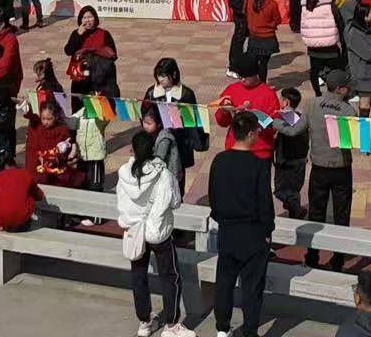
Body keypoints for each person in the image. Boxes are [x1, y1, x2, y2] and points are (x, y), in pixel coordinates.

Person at [208, 112, 275, 337]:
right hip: (253, 233)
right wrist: (268, 230)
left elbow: (213, 196)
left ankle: (222, 328)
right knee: (252, 287)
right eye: (257, 131)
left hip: (227, 230)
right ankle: (249, 331)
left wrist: (221, 218)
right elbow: (265, 203)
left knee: (224, 282)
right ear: (251, 134)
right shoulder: (258, 165)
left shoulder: (219, 160)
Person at [115, 129, 185, 337]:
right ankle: (172, 325)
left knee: (138, 276)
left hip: (135, 231)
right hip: (159, 232)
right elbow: (176, 202)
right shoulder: (164, 174)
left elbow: (121, 203)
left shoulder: (124, 173)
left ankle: (145, 322)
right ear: (153, 149)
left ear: (132, 150)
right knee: (170, 277)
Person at [303, 71, 356, 269]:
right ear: (340, 89)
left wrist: (275, 121)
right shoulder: (348, 111)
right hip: (341, 168)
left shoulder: (312, 104)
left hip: (319, 168)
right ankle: (338, 259)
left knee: (316, 212)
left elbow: (296, 129)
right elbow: (352, 141)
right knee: (342, 214)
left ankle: (312, 256)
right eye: (347, 87)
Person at [142, 58, 203, 186]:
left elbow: (192, 120)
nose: (160, 79)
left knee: (177, 179)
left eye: (164, 76)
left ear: (174, 74)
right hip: (158, 140)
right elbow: (145, 114)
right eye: (159, 75)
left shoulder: (186, 94)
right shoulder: (152, 92)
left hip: (179, 142)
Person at [213, 64, 281, 160]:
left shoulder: (269, 95)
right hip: (234, 149)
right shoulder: (231, 89)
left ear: (255, 74)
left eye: (245, 76)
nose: (242, 79)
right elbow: (222, 122)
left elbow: (274, 128)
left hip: (260, 153)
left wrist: (250, 119)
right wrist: (224, 111)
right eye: (240, 76)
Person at [271, 86, 310, 220]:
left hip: (287, 162)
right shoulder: (301, 117)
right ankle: (294, 213)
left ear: (286, 102)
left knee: (282, 191)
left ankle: (297, 210)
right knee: (293, 190)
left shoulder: (284, 120)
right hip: (300, 161)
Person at [339, 0, 371, 109]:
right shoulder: (355, 33)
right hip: (364, 74)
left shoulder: (366, 27)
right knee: (365, 104)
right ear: (364, 16)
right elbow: (369, 54)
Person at [63, 5, 118, 97]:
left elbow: (113, 55)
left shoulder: (104, 34)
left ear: (95, 18)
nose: (87, 20)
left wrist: (92, 60)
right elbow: (68, 51)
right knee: (80, 103)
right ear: (80, 20)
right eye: (84, 18)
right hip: (81, 77)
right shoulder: (76, 33)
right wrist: (78, 35)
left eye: (90, 17)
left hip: (100, 77)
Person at [298, 0, 342, 86]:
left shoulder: (305, 0)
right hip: (330, 42)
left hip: (312, 43)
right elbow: (338, 18)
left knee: (314, 69)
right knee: (335, 69)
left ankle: (317, 92)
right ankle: (332, 87)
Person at [241, 0, 284, 81]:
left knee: (254, 63)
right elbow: (277, 20)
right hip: (268, 38)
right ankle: (262, 85)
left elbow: (244, 13)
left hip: (253, 37)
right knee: (263, 64)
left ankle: (254, 83)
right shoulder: (272, 4)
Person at [0, 156, 39, 233]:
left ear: (4, 166)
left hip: (2, 219)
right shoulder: (26, 174)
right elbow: (38, 195)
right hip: (22, 222)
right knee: (30, 196)